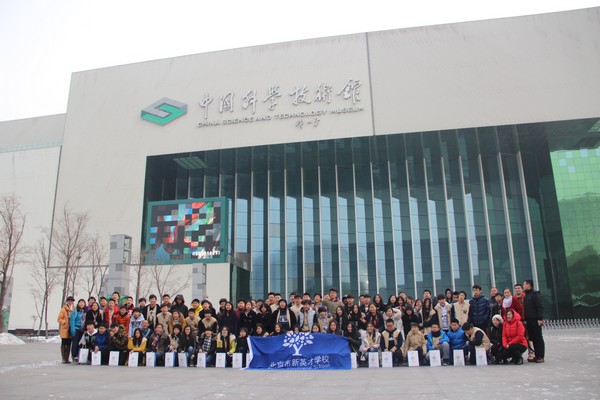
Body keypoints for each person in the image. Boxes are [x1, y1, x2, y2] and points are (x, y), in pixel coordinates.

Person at [523, 279, 545, 363]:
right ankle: (537, 355)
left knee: (538, 337)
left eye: (524, 284)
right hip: (529, 320)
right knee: (533, 338)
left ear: (529, 285)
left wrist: (540, 318)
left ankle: (540, 356)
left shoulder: (535, 294)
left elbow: (540, 306)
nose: (523, 286)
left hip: (535, 319)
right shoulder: (526, 296)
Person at [57, 296, 74, 364]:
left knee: (69, 343)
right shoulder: (63, 309)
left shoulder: (74, 308)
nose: (70, 302)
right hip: (65, 328)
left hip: (71, 328)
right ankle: (64, 358)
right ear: (67, 301)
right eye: (69, 301)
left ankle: (67, 358)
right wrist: (64, 322)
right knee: (64, 343)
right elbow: (59, 319)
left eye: (71, 301)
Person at [69, 299, 86, 363]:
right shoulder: (75, 311)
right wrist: (73, 330)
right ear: (78, 304)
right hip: (76, 329)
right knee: (75, 343)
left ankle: (79, 356)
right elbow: (72, 321)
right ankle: (74, 356)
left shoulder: (84, 312)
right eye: (80, 302)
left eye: (83, 303)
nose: (81, 304)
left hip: (82, 329)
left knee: (80, 343)